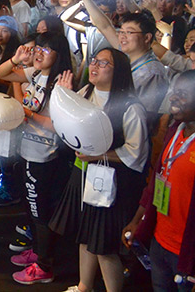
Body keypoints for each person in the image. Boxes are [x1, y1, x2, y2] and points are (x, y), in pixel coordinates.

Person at [50, 48, 148, 292]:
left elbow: (136, 154)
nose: (94, 66)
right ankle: (84, 286)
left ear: (119, 71)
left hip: (111, 183)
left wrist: (99, 155)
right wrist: (62, 95)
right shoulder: (85, 92)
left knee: (103, 245)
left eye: (103, 63)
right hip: (84, 174)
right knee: (85, 236)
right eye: (93, 61)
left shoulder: (130, 108)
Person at [0, 32, 74, 285]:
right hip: (28, 151)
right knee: (32, 207)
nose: (39, 52)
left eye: (46, 49)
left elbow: (57, 126)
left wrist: (25, 112)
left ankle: (44, 266)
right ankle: (39, 253)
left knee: (41, 211)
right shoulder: (37, 74)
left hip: (44, 155)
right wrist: (16, 59)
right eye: (38, 48)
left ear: (59, 55)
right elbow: (1, 74)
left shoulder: (60, 83)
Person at [123, 70, 195, 292]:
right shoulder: (174, 130)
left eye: (182, 94)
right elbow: (156, 181)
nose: (173, 98)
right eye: (173, 92)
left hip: (188, 253)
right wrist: (138, 220)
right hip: (160, 242)